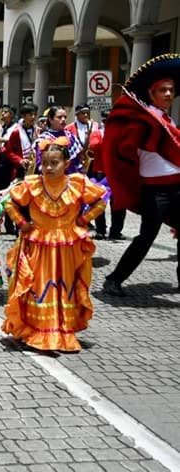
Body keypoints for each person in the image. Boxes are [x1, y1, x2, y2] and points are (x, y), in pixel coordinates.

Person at [2, 137, 106, 352]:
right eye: (45, 162)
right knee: (39, 286)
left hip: (67, 247)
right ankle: (39, 329)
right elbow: (9, 202)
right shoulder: (33, 184)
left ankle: (62, 329)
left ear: (66, 164)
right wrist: (21, 223)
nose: (48, 167)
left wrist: (84, 220)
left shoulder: (77, 183)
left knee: (66, 285)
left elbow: (102, 200)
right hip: (39, 245)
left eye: (54, 162)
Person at [102, 54, 180, 297]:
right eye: (162, 90)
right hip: (154, 190)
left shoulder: (167, 119)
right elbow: (121, 141)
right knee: (146, 237)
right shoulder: (139, 116)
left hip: (176, 187)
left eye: (171, 90)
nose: (168, 95)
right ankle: (114, 279)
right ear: (151, 92)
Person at [91, 109, 126, 240]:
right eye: (107, 121)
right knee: (99, 203)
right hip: (101, 174)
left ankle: (116, 231)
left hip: (117, 174)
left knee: (119, 204)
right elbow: (94, 146)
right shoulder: (97, 133)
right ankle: (100, 230)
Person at [34, 106, 83, 173]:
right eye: (59, 117)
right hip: (51, 177)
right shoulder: (43, 139)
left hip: (71, 176)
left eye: (65, 117)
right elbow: (39, 162)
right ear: (51, 119)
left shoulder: (71, 137)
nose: (63, 119)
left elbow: (78, 160)